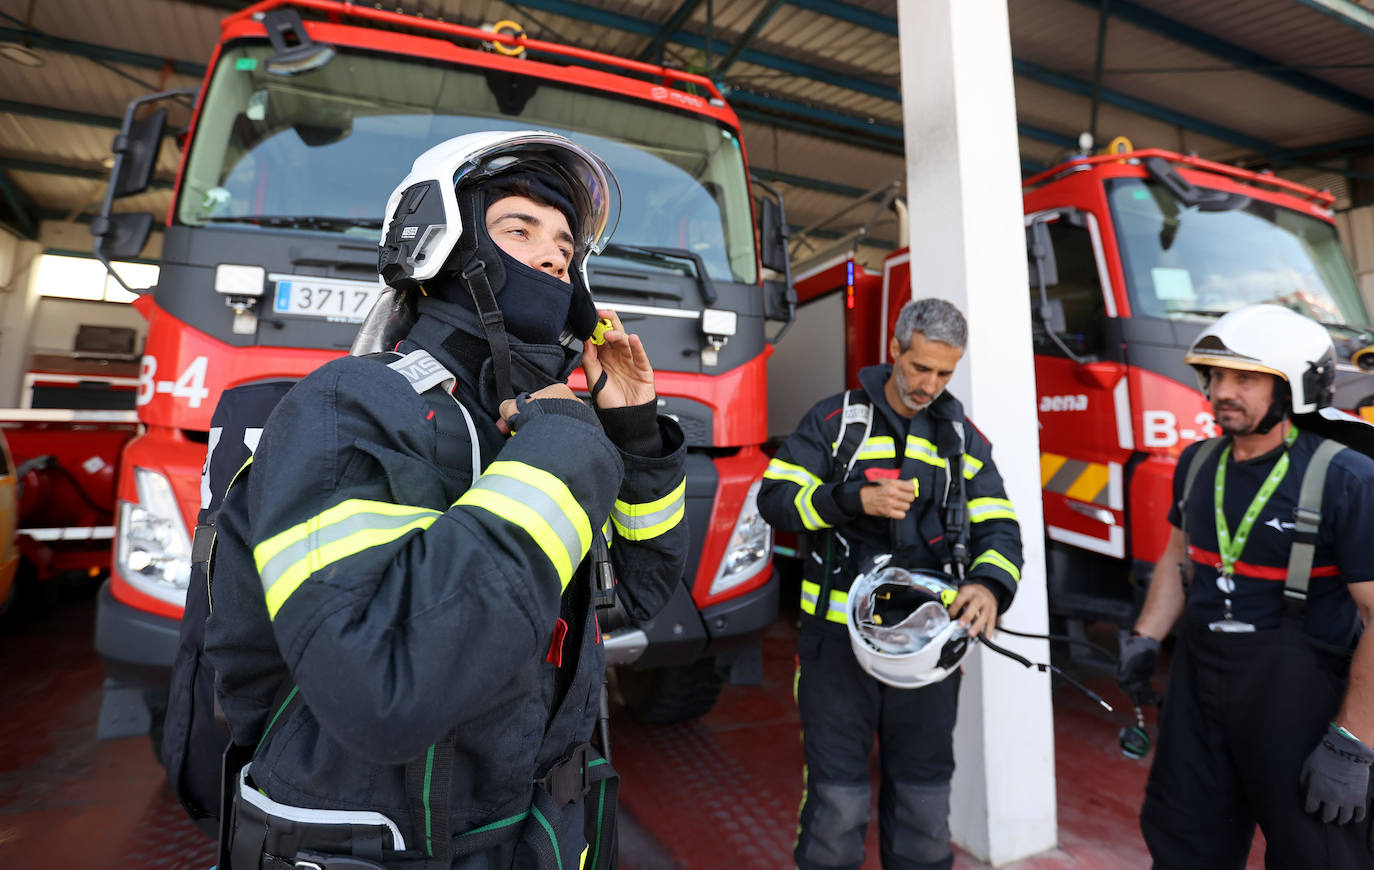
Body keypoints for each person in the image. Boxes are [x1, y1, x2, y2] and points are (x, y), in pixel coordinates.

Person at [204, 131, 688, 870]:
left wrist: (634, 434)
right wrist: (562, 453)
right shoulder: (352, 405)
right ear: (441, 248)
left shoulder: (542, 419)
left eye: (565, 245)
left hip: (538, 835)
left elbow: (635, 596)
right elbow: (383, 685)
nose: (555, 256)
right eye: (520, 229)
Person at [758, 298, 1022, 870]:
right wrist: (851, 500)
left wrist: (988, 587)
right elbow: (774, 500)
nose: (930, 384)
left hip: (929, 648)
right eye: (920, 367)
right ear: (895, 349)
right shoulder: (835, 420)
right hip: (834, 648)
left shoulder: (962, 440)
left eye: (945, 373)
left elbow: (1000, 526)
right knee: (838, 800)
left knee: (925, 803)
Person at [1117, 304, 1374, 869]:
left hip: (1299, 698)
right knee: (1182, 842)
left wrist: (1353, 743)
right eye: (1216, 376)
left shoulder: (1346, 477)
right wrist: (1145, 636)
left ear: (1295, 387)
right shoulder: (1198, 462)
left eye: (1244, 378)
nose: (1222, 391)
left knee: (1320, 855)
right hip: (1198, 686)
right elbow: (1178, 558)